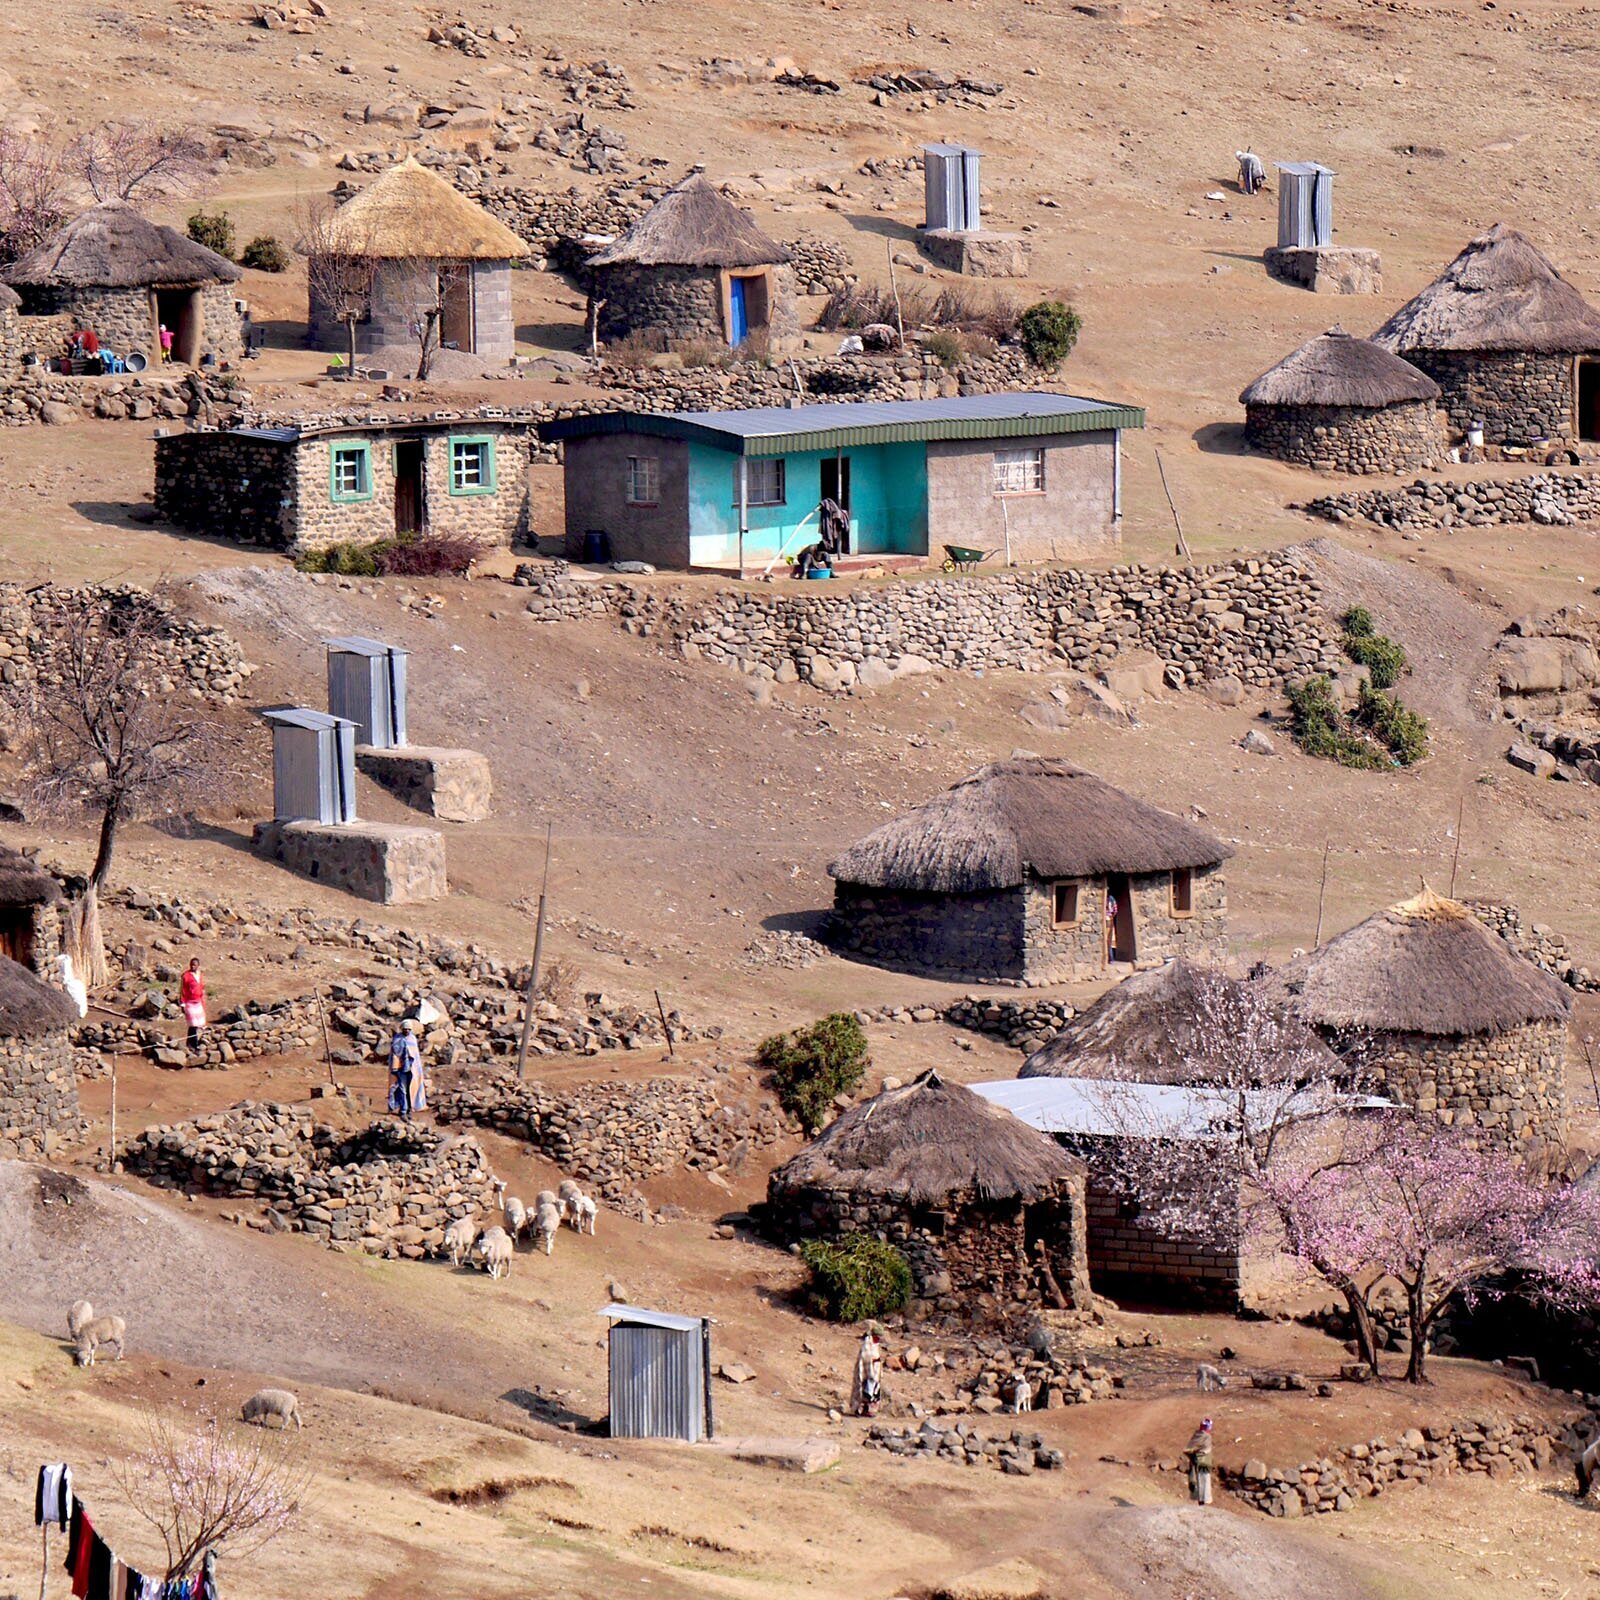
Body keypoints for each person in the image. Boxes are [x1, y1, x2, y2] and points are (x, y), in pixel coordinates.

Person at [388, 1018, 424, 1120]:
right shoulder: (397, 1039)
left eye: (408, 1029)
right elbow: (395, 1053)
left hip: (411, 1069)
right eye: (405, 1029)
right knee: (403, 1090)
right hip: (400, 1069)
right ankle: (403, 1110)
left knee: (410, 1089)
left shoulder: (412, 1039)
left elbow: (415, 1054)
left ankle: (409, 1110)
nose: (407, 1031)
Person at [851, 1326, 885, 1417]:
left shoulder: (875, 1345)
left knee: (872, 1392)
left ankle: (867, 1410)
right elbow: (866, 1357)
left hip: (874, 1371)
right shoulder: (867, 1344)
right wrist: (873, 1361)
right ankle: (857, 1410)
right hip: (866, 1371)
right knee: (862, 1390)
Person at [1185, 1417, 1215, 1506]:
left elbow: (1189, 1448)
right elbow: (1189, 1449)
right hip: (1203, 1459)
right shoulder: (1205, 1436)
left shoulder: (1197, 1434)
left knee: (1200, 1479)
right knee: (1204, 1480)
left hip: (1199, 1459)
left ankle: (1201, 1500)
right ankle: (1203, 1500)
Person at [179, 959, 206, 1052]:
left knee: (198, 1024)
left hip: (198, 1002)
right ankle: (194, 1045)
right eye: (191, 965)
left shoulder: (200, 975)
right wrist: (182, 1004)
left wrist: (203, 1001)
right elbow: (182, 990)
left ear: (198, 965)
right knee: (193, 1024)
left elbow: (201, 989)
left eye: (194, 965)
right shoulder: (186, 976)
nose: (192, 966)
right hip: (189, 1002)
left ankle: (189, 1043)